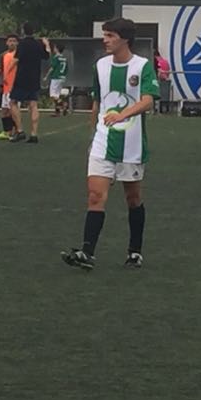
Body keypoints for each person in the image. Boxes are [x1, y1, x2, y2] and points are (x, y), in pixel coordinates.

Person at [62, 18, 158, 270]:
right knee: (95, 195)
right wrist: (93, 135)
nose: (105, 40)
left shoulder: (142, 66)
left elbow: (148, 100)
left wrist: (122, 115)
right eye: (104, 35)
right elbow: (98, 102)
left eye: (110, 35)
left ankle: (134, 252)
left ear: (125, 39)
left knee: (133, 198)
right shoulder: (101, 66)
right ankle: (87, 253)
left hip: (131, 144)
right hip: (103, 141)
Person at [9, 23, 49, 144]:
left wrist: (7, 72)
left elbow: (16, 60)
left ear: (23, 31)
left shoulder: (22, 44)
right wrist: (46, 44)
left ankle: (20, 130)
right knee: (33, 104)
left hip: (22, 77)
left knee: (13, 102)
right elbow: (47, 56)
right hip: (34, 77)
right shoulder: (38, 44)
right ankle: (34, 134)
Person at [0, 34, 22, 140]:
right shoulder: (3, 55)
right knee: (4, 111)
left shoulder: (19, 55)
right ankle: (6, 132)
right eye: (10, 41)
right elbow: (1, 68)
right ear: (6, 43)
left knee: (13, 111)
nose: (12, 43)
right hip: (6, 86)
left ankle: (16, 131)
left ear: (17, 43)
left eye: (14, 41)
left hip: (15, 86)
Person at [47, 45, 70, 116]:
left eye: (55, 48)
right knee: (57, 95)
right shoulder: (64, 58)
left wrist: (46, 76)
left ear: (57, 49)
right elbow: (66, 69)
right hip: (62, 77)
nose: (54, 49)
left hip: (56, 77)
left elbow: (52, 68)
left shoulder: (56, 58)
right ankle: (57, 111)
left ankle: (63, 104)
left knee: (52, 95)